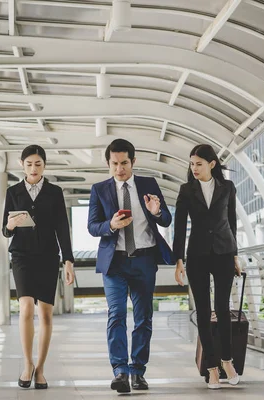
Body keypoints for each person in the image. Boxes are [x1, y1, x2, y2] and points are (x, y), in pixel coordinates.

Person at [87, 138, 174, 393]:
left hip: (145, 260)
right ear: (108, 163)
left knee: (143, 317)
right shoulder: (100, 189)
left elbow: (166, 220)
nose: (119, 168)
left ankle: (138, 371)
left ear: (133, 162)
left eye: (124, 162)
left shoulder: (149, 185)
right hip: (115, 262)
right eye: (114, 163)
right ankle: (120, 372)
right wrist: (111, 225)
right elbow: (92, 227)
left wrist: (157, 212)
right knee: (116, 315)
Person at [2, 144, 75, 390]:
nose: (33, 168)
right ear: (21, 164)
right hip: (21, 255)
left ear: (44, 165)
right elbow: (5, 229)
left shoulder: (54, 192)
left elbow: (62, 228)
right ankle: (27, 364)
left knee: (44, 313)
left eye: (38, 164)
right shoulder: (13, 191)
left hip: (47, 256)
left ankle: (41, 369)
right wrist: (11, 225)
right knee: (24, 309)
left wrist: (68, 260)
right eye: (29, 163)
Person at [173, 144, 241, 390]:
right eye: (192, 164)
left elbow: (231, 221)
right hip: (198, 255)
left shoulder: (227, 187)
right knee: (203, 311)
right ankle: (211, 368)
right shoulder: (186, 190)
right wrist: (178, 260)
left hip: (223, 252)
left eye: (199, 164)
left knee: (223, 308)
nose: (194, 168)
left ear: (212, 164)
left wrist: (235, 255)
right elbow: (179, 226)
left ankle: (227, 361)